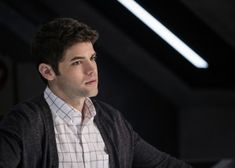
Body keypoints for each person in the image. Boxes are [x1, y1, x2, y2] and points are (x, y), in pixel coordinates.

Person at [0, 18, 192, 168]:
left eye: (92, 58)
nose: (91, 69)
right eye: (77, 62)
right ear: (48, 71)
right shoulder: (25, 122)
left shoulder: (112, 121)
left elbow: (163, 164)